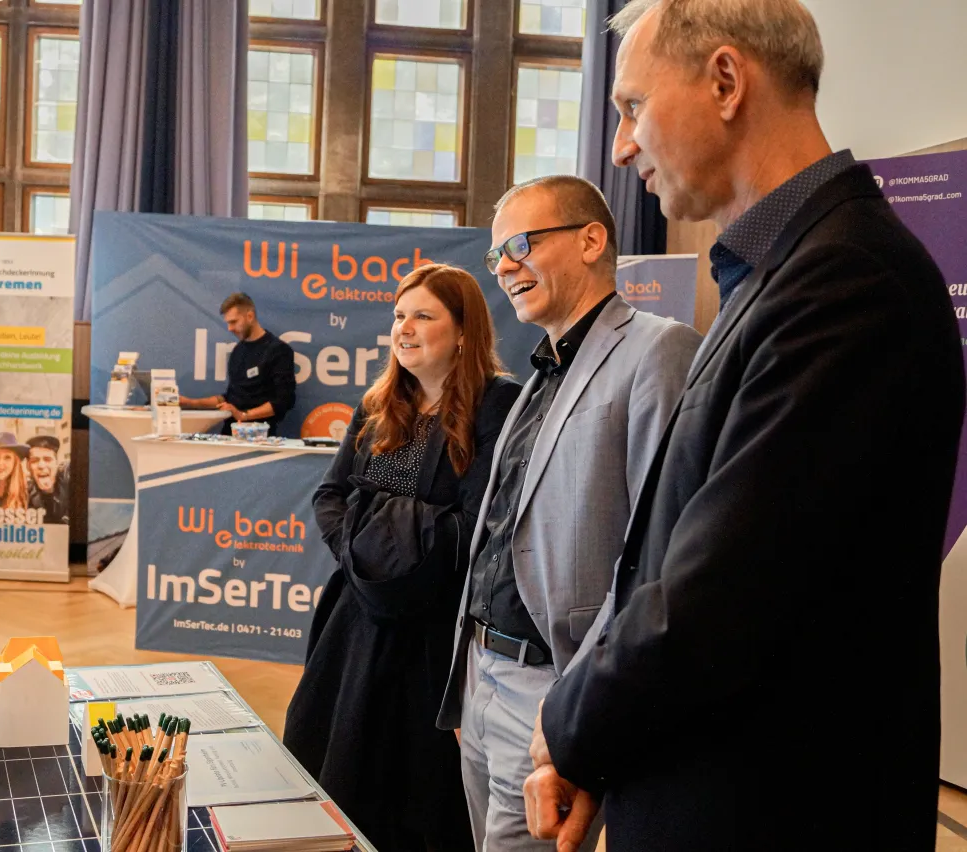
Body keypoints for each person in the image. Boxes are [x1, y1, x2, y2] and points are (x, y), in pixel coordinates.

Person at [526, 2, 965, 850]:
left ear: (725, 81)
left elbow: (718, 598)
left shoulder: (847, 283)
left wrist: (568, 724)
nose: (621, 147)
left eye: (630, 109)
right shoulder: (780, 270)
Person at [434, 176, 700, 852]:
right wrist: (471, 679)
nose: (504, 268)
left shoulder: (657, 349)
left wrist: (584, 703)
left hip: (554, 682)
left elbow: (659, 548)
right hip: (483, 677)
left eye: (520, 244)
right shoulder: (537, 376)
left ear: (590, 240)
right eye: (495, 256)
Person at [283, 263, 522, 851]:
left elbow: (479, 523)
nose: (404, 328)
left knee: (416, 790)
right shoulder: (379, 403)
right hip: (356, 619)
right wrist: (364, 555)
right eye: (398, 315)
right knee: (336, 766)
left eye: (423, 315)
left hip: (433, 631)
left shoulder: (499, 404)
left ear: (464, 331)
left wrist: (378, 529)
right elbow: (331, 495)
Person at [178, 292, 296, 435]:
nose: (230, 328)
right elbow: (230, 397)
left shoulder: (278, 351)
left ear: (250, 316)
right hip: (229, 434)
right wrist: (190, 403)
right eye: (228, 323)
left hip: (260, 438)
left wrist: (244, 415)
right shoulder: (237, 351)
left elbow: (284, 401)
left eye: (233, 322)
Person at [26, 434, 70, 524]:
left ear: (57, 463)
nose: (41, 466)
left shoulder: (69, 483)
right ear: (28, 466)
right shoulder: (26, 496)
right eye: (34, 461)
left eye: (47, 459)